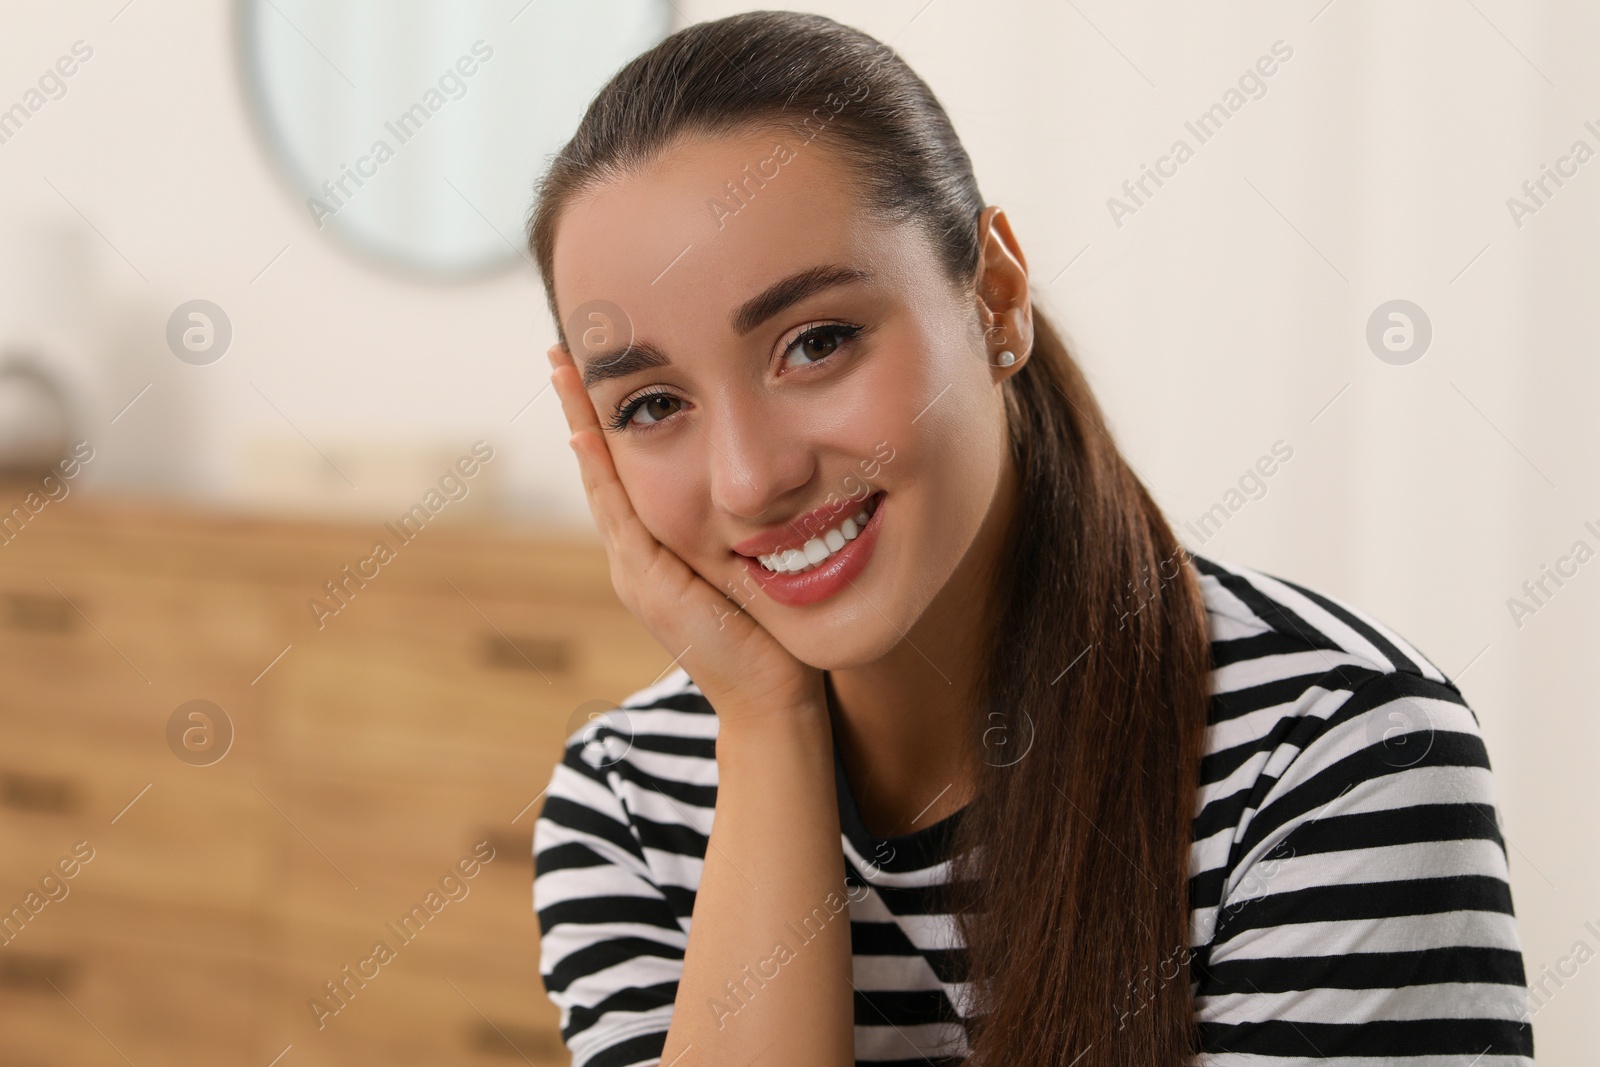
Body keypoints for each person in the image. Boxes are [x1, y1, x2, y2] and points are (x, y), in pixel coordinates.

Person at [527, 11, 1535, 1066]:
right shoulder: (628, 804)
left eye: (815, 343)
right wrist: (769, 724)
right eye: (650, 405)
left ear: (996, 298)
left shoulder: (1339, 756)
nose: (750, 477)